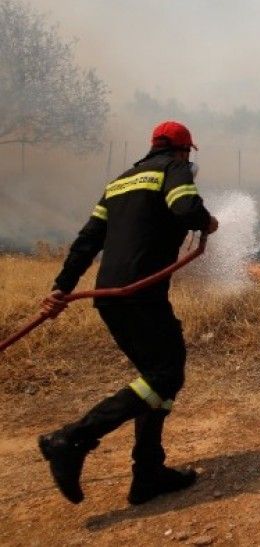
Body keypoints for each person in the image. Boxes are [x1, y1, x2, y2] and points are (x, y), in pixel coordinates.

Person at [38, 121, 218, 504]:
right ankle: (71, 439)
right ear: (184, 150)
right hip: (139, 293)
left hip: (111, 296)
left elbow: (86, 241)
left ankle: (148, 472)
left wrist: (61, 288)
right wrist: (207, 221)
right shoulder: (174, 167)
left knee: (159, 377)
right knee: (165, 374)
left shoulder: (119, 182)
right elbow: (185, 206)